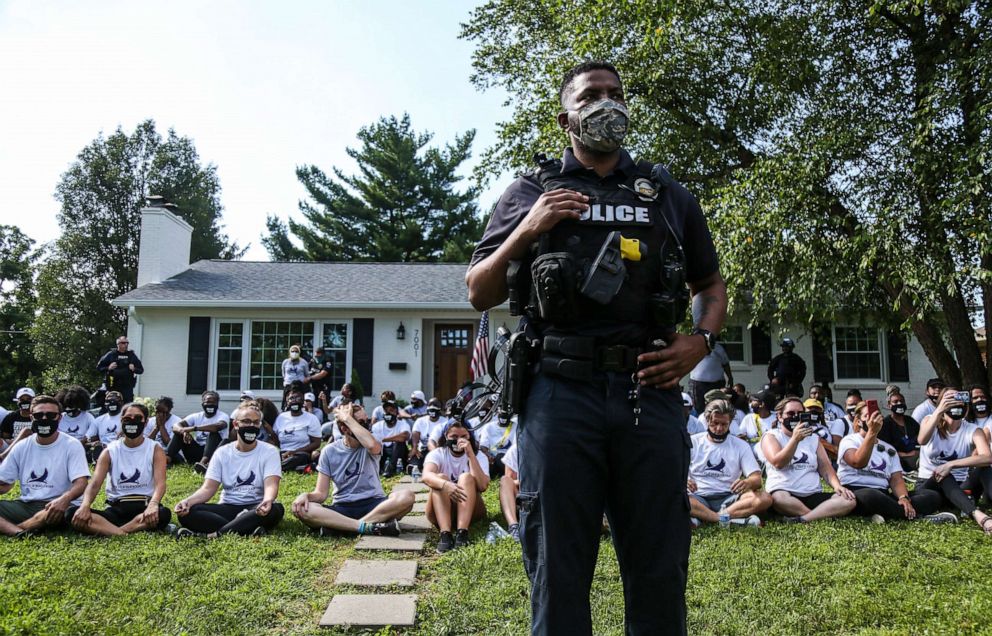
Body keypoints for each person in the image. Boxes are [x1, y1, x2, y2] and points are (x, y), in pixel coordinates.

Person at [466, 60, 727, 633]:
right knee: (558, 567)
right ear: (567, 117)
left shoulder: (666, 197)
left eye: (615, 93)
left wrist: (700, 339)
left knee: (658, 566)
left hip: (649, 392)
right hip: (559, 396)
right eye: (592, 95)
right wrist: (527, 228)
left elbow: (709, 284)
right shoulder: (530, 191)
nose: (607, 103)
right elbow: (477, 291)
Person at [292, 403, 414, 536]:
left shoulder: (372, 439)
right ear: (344, 429)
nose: (366, 426)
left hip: (374, 504)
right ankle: (365, 526)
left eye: (366, 421)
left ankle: (344, 528)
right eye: (361, 422)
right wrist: (306, 496)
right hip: (343, 507)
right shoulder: (329, 451)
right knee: (304, 509)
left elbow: (372, 446)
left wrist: (347, 419)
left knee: (407, 497)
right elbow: (321, 494)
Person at [173, 403, 284, 538]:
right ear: (236, 425)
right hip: (228, 506)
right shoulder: (222, 452)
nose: (252, 426)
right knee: (189, 512)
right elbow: (208, 489)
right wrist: (187, 502)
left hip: (256, 507)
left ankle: (214, 535)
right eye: (246, 421)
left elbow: (271, 484)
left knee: (275, 509)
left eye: (256, 422)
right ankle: (245, 527)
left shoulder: (270, 451)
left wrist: (268, 500)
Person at [67, 402, 171, 536]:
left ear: (145, 423)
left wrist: (154, 504)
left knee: (163, 514)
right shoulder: (110, 450)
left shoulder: (155, 448)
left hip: (144, 508)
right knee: (71, 513)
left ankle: (112, 531)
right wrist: (85, 506)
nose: (132, 422)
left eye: (138, 418)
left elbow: (160, 483)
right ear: (121, 421)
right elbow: (94, 484)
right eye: (127, 419)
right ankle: (126, 531)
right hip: (116, 509)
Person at [837, 400, 943, 523]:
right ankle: (916, 517)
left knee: (931, 495)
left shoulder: (889, 448)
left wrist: (904, 498)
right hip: (856, 491)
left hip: (883, 493)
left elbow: (896, 479)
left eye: (876, 415)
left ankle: (886, 513)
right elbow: (858, 462)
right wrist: (872, 432)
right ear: (859, 421)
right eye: (867, 416)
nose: (872, 419)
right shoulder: (850, 440)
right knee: (871, 496)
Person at [0, 395, 90, 536]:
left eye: (50, 415)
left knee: (66, 514)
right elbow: (4, 483)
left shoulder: (72, 445)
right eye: (38, 415)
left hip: (60, 506)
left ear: (59, 418)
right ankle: (19, 532)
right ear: (31, 418)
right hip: (27, 505)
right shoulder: (21, 446)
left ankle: (16, 528)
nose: (44, 419)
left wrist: (64, 499)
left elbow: (81, 482)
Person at [761, 397, 857, 522]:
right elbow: (778, 462)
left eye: (800, 414)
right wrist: (795, 439)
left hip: (812, 493)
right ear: (779, 416)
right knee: (778, 499)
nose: (796, 417)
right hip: (785, 492)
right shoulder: (771, 436)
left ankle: (803, 518)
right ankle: (817, 515)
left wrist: (837, 486)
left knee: (848, 500)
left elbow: (826, 468)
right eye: (790, 413)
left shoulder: (813, 439)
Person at [917, 388, 992, 534]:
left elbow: (987, 457)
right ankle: (979, 516)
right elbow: (922, 440)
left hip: (960, 487)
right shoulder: (930, 420)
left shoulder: (972, 429)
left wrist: (950, 464)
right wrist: (939, 411)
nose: (955, 403)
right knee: (943, 475)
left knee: (986, 468)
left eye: (958, 399)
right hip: (929, 484)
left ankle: (966, 504)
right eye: (949, 398)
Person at [686, 400, 771, 527]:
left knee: (764, 498)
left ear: (730, 423)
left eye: (724, 424)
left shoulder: (740, 445)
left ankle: (705, 518)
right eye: (715, 423)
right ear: (708, 420)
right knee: (677, 497)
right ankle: (724, 520)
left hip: (730, 498)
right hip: (698, 497)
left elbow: (757, 479)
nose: (719, 428)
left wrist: (747, 482)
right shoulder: (693, 442)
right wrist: (684, 479)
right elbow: (674, 472)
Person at [422, 419, 491, 553]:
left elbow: (482, 486)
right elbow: (426, 475)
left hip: (470, 509)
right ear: (446, 437)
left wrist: (471, 455)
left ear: (470, 436)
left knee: (466, 477)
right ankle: (445, 534)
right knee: (440, 478)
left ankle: (462, 533)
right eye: (454, 436)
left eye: (463, 436)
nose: (459, 440)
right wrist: (446, 484)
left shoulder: (479, 456)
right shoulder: (438, 453)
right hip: (440, 507)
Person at [165, 391, 229, 473]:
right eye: (208, 402)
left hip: (214, 454)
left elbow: (217, 427)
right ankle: (165, 460)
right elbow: (175, 426)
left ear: (217, 403)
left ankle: (203, 464)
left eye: (213, 402)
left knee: (214, 433)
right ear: (202, 403)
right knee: (179, 433)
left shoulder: (223, 416)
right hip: (197, 452)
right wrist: (183, 431)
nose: (210, 404)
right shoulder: (196, 416)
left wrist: (194, 428)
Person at [272, 391, 321, 472]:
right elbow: (275, 437)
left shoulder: (311, 418)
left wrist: (294, 452)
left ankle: (276, 469)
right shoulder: (281, 417)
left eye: (298, 398)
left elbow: (317, 443)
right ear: (287, 402)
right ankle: (303, 468)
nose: (294, 400)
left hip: (301, 453)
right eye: (291, 398)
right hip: (283, 453)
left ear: (303, 401)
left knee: (299, 458)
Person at [878, 390, 921, 473]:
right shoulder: (885, 424)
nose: (899, 403)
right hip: (897, 460)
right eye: (895, 402)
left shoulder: (910, 421)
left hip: (916, 457)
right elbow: (883, 448)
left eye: (901, 401)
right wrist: (907, 455)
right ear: (889, 405)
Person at [688, 342, 733, 416]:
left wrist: (730, 377)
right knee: (699, 407)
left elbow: (726, 364)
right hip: (697, 383)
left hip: (716, 383)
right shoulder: (693, 347)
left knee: (717, 406)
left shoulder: (719, 348)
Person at [96, 335, 144, 403]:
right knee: (113, 406)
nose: (126, 344)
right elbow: (99, 367)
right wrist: (108, 367)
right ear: (118, 344)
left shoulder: (131, 355)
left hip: (127, 388)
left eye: (127, 343)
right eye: (123, 343)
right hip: (113, 387)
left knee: (127, 407)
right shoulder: (111, 354)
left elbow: (141, 370)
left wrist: (134, 369)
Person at [370, 400, 410, 477]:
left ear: (396, 413)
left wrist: (384, 439)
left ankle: (390, 470)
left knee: (399, 443)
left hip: (398, 452)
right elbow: (373, 440)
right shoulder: (377, 426)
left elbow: (405, 436)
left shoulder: (403, 424)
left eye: (391, 410)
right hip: (383, 451)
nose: (388, 413)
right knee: (375, 444)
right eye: (386, 411)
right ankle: (378, 468)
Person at [86, 390, 124, 461]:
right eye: (109, 401)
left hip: (120, 449)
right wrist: (93, 443)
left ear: (121, 403)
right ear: (105, 403)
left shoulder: (126, 418)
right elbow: (88, 438)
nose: (112, 403)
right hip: (103, 450)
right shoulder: (98, 420)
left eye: (115, 401)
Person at [411, 398, 445, 470]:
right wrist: (415, 448)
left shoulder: (445, 422)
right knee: (415, 465)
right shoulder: (420, 421)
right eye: (430, 405)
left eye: (435, 405)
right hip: (422, 450)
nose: (432, 407)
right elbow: (415, 434)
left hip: (438, 450)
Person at [1, 388, 35, 461]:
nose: (25, 402)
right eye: (22, 400)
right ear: (17, 401)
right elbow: (4, 436)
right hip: (11, 447)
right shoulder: (11, 417)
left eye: (28, 399)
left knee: (26, 431)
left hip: (31, 446)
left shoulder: (38, 416)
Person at [500, 442, 521, 541]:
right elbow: (510, 481)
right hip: (522, 496)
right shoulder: (515, 450)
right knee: (505, 480)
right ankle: (513, 526)